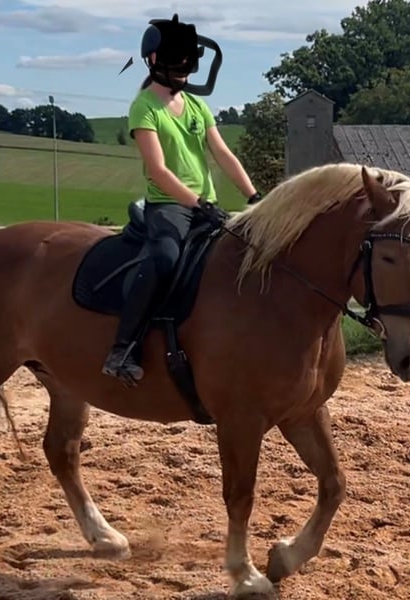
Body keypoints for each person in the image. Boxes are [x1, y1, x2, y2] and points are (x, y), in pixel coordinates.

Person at [102, 13, 262, 385]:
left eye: (189, 59)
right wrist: (197, 203)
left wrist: (255, 196)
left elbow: (224, 154)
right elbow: (158, 170)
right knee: (165, 258)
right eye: (179, 58)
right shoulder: (144, 107)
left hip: (206, 205)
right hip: (169, 205)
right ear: (154, 60)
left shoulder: (197, 106)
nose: (186, 67)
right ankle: (122, 348)